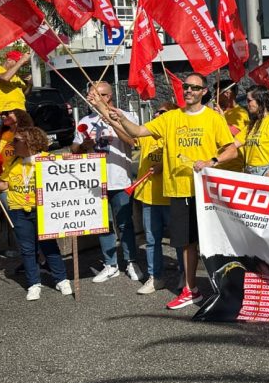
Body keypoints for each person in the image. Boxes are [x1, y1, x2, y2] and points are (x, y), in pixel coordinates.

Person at [90, 72, 237, 310]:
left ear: (203, 92)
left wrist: (211, 161)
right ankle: (192, 290)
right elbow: (136, 132)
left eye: (193, 87)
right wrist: (105, 109)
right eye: (186, 87)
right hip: (177, 191)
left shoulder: (212, 118)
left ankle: (229, 287)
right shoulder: (170, 118)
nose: (188, 90)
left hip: (205, 191)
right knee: (186, 243)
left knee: (214, 242)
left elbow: (232, 150)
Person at [0, 127, 71, 300]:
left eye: (17, 140)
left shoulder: (49, 160)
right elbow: (2, 186)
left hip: (43, 211)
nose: (13, 144)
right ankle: (34, 283)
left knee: (49, 246)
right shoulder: (13, 162)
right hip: (19, 210)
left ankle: (62, 279)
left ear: (30, 142)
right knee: (27, 250)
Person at [72, 81, 141, 285]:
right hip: (95, 182)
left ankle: (131, 261)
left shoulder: (125, 116)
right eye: (89, 95)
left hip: (120, 179)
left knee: (125, 224)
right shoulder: (85, 120)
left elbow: (132, 140)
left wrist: (111, 121)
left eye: (95, 95)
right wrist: (84, 145)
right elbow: (74, 149)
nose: (90, 98)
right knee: (102, 225)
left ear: (107, 97)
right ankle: (110, 264)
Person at [130, 102, 180, 295]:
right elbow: (129, 136)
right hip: (149, 197)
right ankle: (155, 277)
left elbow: (183, 159)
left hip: (171, 197)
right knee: (152, 241)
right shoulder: (148, 135)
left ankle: (184, 277)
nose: (158, 114)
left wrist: (163, 166)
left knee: (179, 242)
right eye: (157, 111)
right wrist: (109, 116)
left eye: (163, 112)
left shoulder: (175, 136)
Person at [0, 50, 32, 132]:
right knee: (5, 142)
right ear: (9, 60)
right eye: (17, 62)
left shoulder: (17, 77)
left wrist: (29, 84)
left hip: (20, 114)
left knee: (24, 141)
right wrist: (22, 60)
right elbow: (5, 78)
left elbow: (25, 94)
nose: (20, 66)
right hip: (4, 114)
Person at [215, 79, 248, 172]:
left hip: (232, 168)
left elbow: (236, 134)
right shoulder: (222, 112)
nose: (214, 97)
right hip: (218, 165)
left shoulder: (241, 113)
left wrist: (221, 119)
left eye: (216, 94)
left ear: (227, 93)